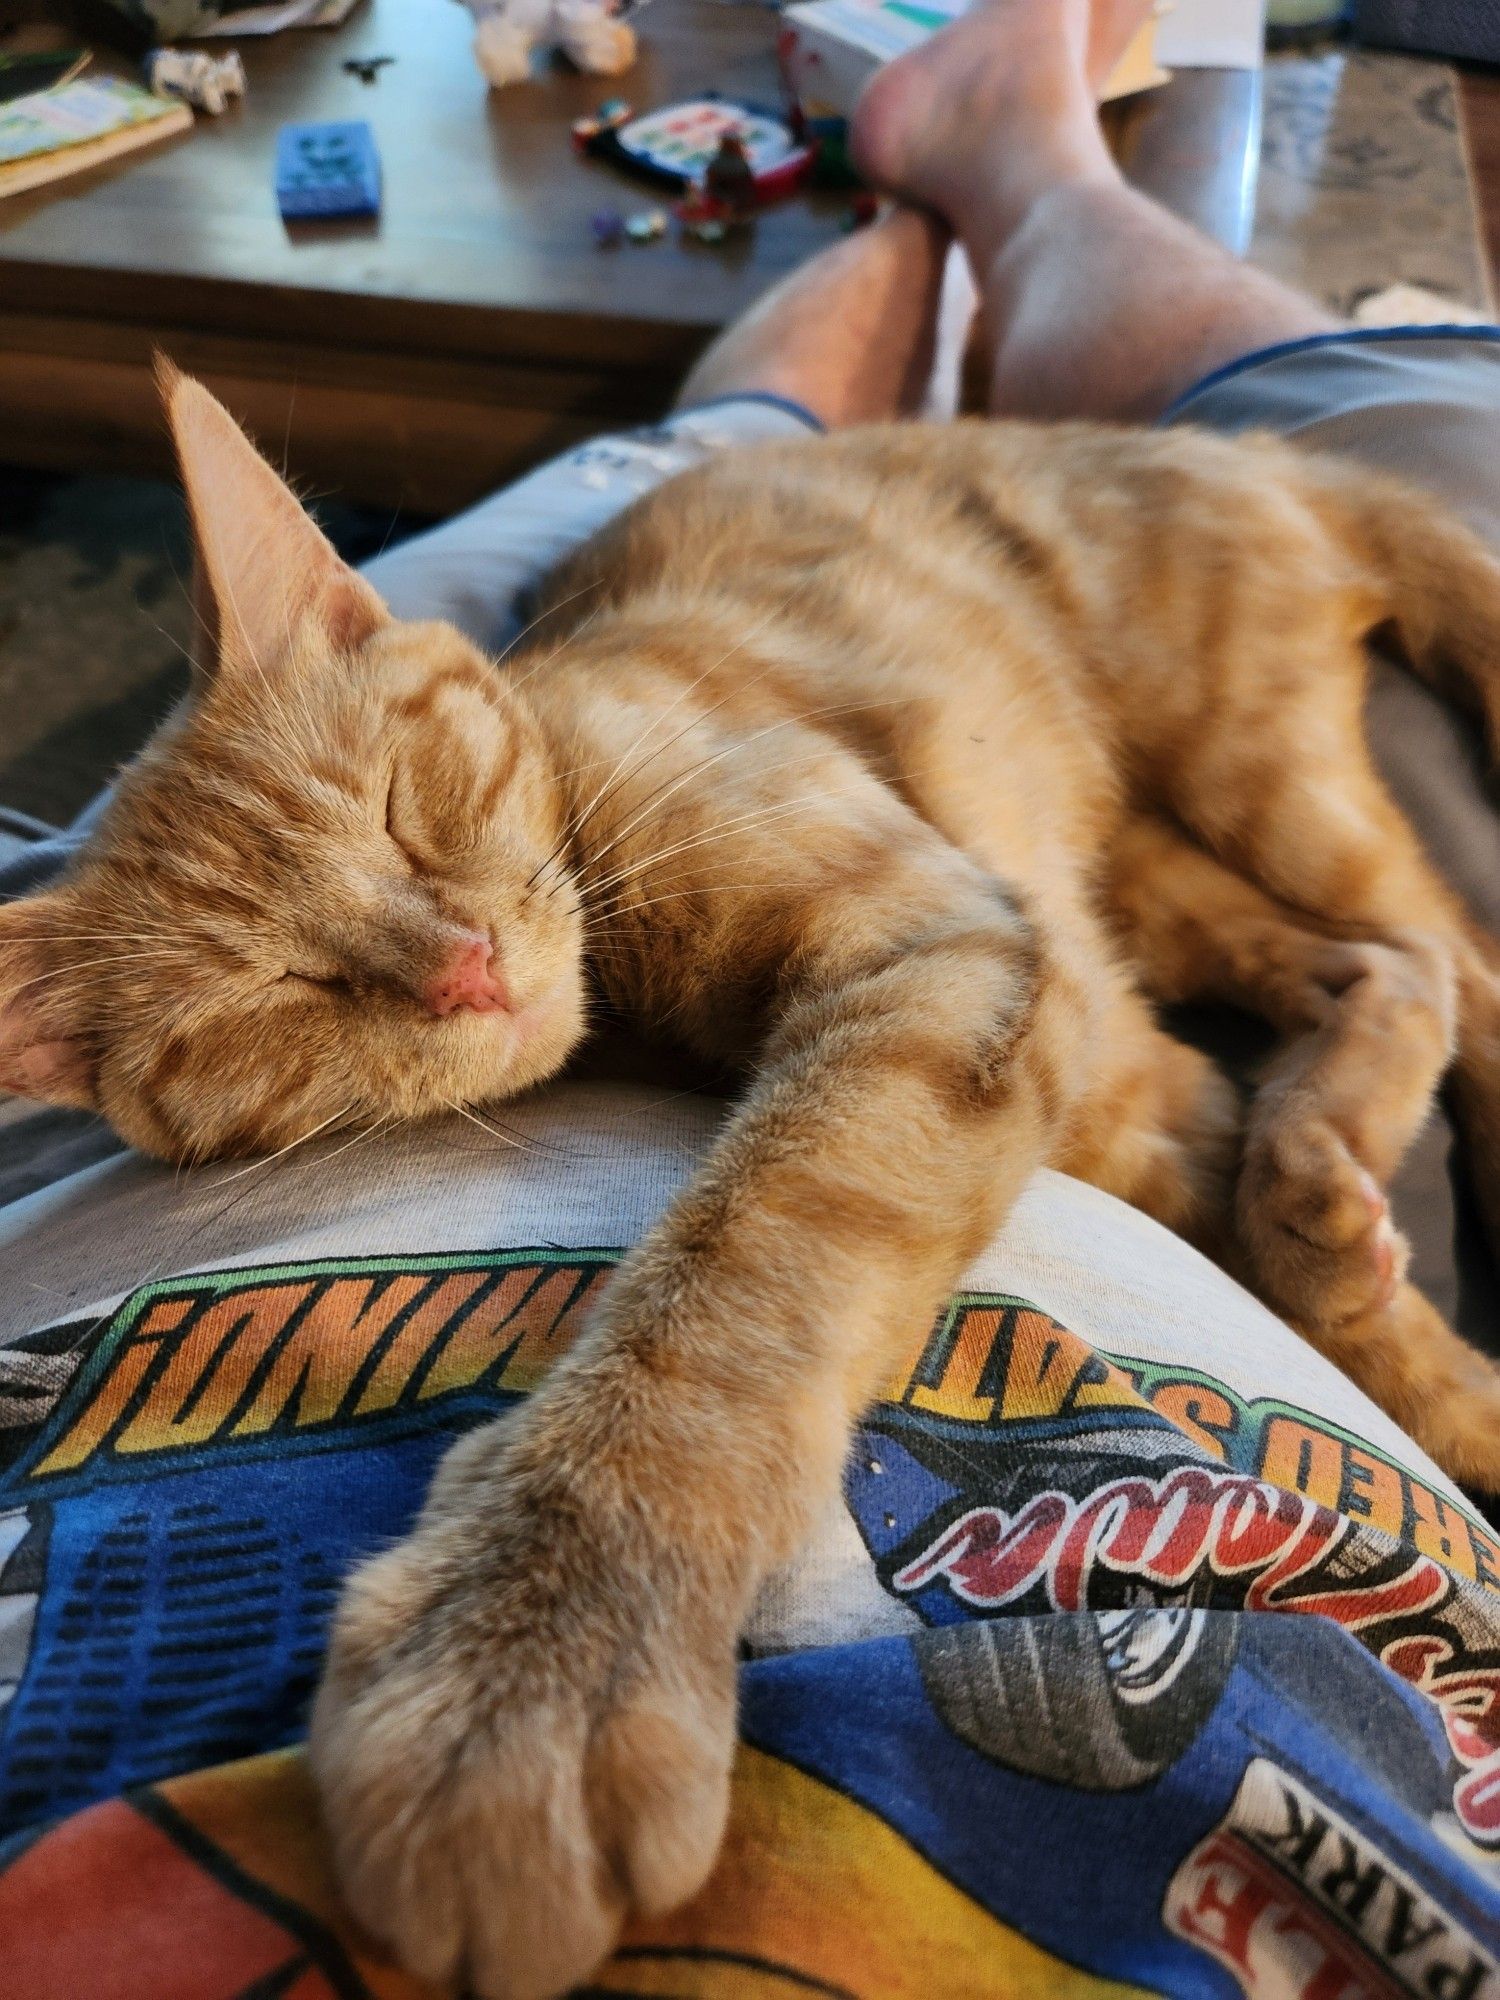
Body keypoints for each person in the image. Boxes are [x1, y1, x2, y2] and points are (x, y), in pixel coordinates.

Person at [2, 2, 1498, 1990]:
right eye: (274, 993)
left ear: (357, 618)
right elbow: (1053, 1042)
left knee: (1326, 552)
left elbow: (956, 971)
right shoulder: (116, 981)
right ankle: (953, 217)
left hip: (1009, 561)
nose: (455, 963)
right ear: (64, 1062)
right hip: (944, 723)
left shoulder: (602, 760)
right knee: (839, 470)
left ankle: (977, 193)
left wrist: (625, 1511)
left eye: (435, 804)